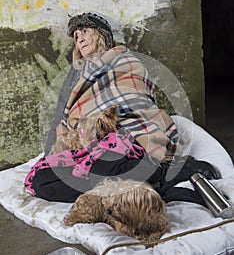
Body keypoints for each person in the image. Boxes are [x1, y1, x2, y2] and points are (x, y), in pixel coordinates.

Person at [24, 12, 220, 205]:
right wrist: (52, 156)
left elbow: (136, 103)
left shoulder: (125, 61)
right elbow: (62, 115)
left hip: (120, 140)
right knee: (42, 181)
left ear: (102, 34)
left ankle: (165, 174)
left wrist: (105, 127)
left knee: (108, 160)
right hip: (84, 146)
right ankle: (143, 187)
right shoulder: (74, 75)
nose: (80, 39)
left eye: (84, 31)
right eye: (76, 37)